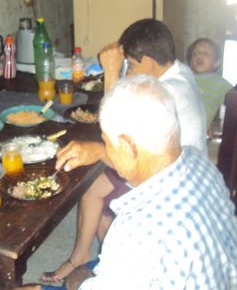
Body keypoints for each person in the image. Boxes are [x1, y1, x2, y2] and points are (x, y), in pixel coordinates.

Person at [17, 76, 237, 289]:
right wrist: (100, 151)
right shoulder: (198, 160)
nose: (105, 147)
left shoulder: (136, 234)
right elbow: (140, 160)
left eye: (105, 141)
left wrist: (79, 281)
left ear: (126, 146)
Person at [41, 19, 207, 283]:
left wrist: (111, 72)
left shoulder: (168, 91)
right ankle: (80, 257)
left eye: (132, 63)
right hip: (174, 168)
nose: (128, 70)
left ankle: (124, 273)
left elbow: (114, 131)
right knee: (93, 186)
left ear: (151, 61)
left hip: (168, 185)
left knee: (107, 211)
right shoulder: (177, 71)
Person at [186, 37, 233, 129]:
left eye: (205, 53)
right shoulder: (184, 78)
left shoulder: (221, 84)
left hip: (195, 133)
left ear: (217, 62)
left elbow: (233, 102)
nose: (199, 56)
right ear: (191, 62)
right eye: (195, 54)